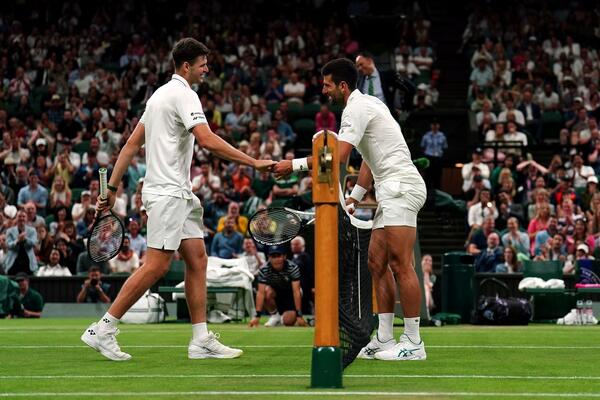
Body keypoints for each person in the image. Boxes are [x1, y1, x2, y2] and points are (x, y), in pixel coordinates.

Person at [80, 38, 275, 361]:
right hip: (167, 193)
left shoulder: (158, 96)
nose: (206, 69)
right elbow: (207, 141)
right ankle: (103, 328)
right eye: (202, 64)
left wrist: (112, 190)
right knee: (156, 265)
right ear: (187, 66)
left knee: (197, 258)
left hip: (179, 193)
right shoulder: (185, 94)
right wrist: (253, 163)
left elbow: (130, 145)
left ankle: (200, 339)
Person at [273, 58, 427, 361]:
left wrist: (293, 164)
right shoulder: (368, 105)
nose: (324, 90)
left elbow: (337, 158)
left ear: (343, 86)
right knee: (376, 262)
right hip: (389, 189)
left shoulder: (356, 109)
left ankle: (414, 341)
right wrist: (355, 196)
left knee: (400, 264)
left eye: (328, 85)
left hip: (401, 187)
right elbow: (369, 158)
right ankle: (384, 337)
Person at [248, 245, 308, 328]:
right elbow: (260, 293)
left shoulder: (293, 268)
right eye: (273, 256)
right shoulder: (264, 269)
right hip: (275, 294)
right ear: (269, 257)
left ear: (284, 256)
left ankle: (283, 318)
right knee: (266, 291)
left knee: (288, 322)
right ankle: (275, 316)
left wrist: (299, 315)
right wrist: (257, 316)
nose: (276, 259)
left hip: (290, 295)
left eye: (279, 256)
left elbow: (296, 291)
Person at [4, 211, 38, 275]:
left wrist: (25, 239)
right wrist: (17, 241)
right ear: (16, 218)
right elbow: (8, 245)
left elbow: (33, 243)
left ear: (26, 218)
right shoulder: (9, 231)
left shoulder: (32, 230)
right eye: (19, 216)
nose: (21, 218)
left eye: (23, 216)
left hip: (28, 262)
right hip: (14, 262)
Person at [291, 235, 314, 315]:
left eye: (296, 244)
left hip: (305, 287)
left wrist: (312, 287)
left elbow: (310, 273)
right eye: (293, 244)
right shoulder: (292, 258)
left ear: (302, 245)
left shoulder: (306, 257)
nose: (294, 246)